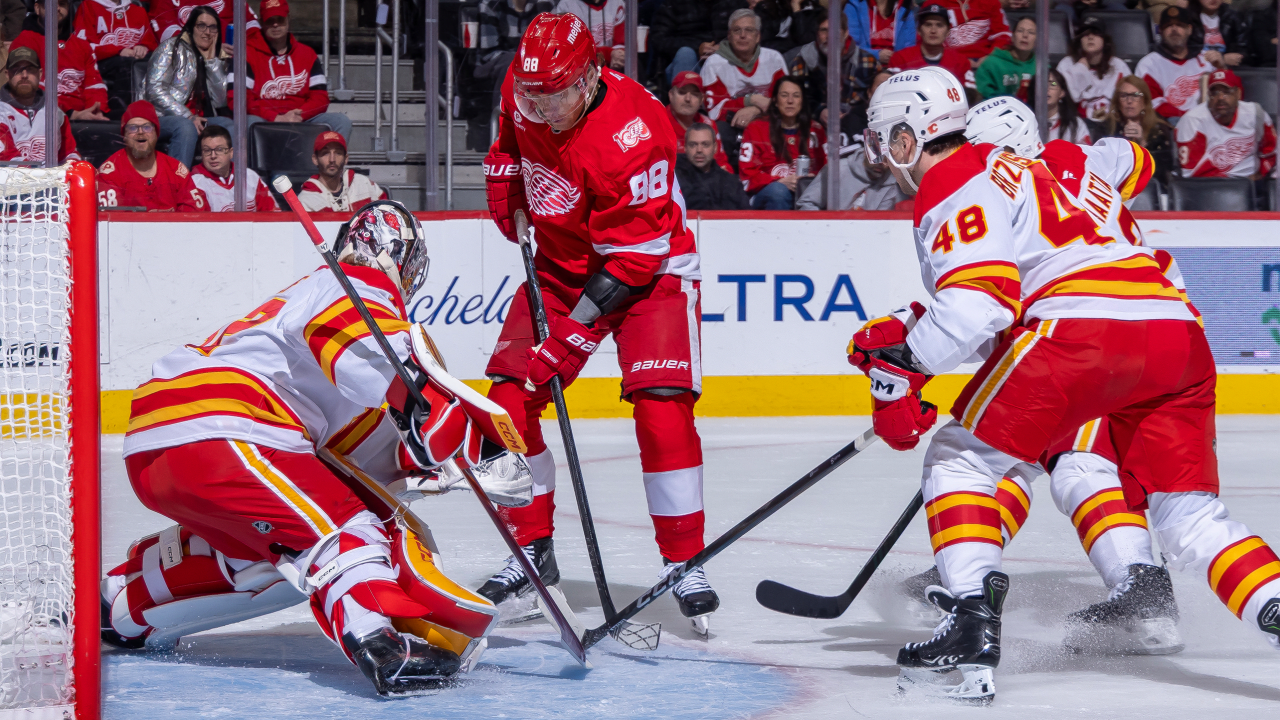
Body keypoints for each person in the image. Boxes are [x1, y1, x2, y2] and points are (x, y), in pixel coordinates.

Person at [858, 66, 1280, 703]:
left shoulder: (960, 175)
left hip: (1081, 330)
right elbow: (1132, 160)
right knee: (1190, 518)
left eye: (887, 139)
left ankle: (970, 615)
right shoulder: (1065, 163)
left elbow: (979, 306)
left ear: (914, 136)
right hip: (1174, 330)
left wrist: (902, 369)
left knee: (963, 458)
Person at [102, 200, 527, 694]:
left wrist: (445, 459)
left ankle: (119, 603)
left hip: (160, 443)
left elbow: (357, 452)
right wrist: (423, 402)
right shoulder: (355, 285)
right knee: (346, 531)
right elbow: (355, 346)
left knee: (268, 558)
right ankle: (380, 644)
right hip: (229, 427)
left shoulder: (303, 300)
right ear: (402, 261)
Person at [480, 13, 719, 635]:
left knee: (660, 405)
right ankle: (531, 547)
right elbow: (508, 135)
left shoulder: (636, 135)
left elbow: (633, 262)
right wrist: (505, 179)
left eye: (557, 95)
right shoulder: (528, 86)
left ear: (588, 77)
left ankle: (683, 558)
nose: (544, 107)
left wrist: (573, 336)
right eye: (534, 95)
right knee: (509, 398)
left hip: (652, 268)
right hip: (563, 262)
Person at [233, 0, 352, 139]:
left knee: (341, 121)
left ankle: (326, 160)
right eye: (270, 20)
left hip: (301, 117)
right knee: (248, 122)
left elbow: (320, 97)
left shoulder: (307, 54)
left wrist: (298, 115)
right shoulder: (246, 54)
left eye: (280, 19)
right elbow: (239, 99)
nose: (275, 24)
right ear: (261, 22)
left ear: (288, 20)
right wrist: (275, 117)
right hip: (264, 118)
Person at [144, 7, 234, 168]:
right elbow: (154, 90)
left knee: (228, 125)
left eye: (212, 27)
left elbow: (220, 101)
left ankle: (228, 183)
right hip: (160, 117)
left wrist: (211, 62)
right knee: (186, 127)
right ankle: (178, 185)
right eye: (201, 26)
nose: (207, 32)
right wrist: (187, 116)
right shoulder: (170, 48)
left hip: (196, 119)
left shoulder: (216, 56)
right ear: (191, 27)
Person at [471, 0, 556, 149]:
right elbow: (489, 51)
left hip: (531, 63)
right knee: (511, 64)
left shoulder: (544, 6)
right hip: (493, 62)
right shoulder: (491, 5)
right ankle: (503, 129)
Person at [96, 100, 207, 212]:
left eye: (147, 127)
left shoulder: (176, 170)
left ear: (156, 134)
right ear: (124, 135)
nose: (140, 132)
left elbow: (195, 215)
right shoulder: (109, 173)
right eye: (133, 128)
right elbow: (113, 221)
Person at [11, 0, 109, 121]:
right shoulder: (24, 42)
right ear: (37, 8)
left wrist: (96, 110)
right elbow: (29, 90)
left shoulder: (82, 45)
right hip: (41, 118)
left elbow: (95, 86)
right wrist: (71, 113)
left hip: (84, 116)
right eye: (49, 5)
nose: (56, 8)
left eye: (62, 4)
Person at [739, 75, 827, 209]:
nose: (790, 101)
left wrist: (810, 180)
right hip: (767, 193)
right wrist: (780, 182)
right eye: (784, 95)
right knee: (779, 192)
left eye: (796, 96)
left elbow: (827, 170)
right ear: (775, 100)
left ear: (802, 101)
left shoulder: (816, 130)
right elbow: (747, 176)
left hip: (807, 193)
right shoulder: (755, 129)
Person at [787, 13, 878, 141]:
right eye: (824, 30)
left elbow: (880, 91)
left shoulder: (867, 61)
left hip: (860, 129)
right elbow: (792, 99)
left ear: (846, 33)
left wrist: (855, 115)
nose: (829, 36)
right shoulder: (803, 61)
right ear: (817, 34)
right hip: (816, 130)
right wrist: (819, 111)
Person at [1176, 69, 1276, 183]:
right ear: (1209, 95)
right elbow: (1191, 173)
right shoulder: (1192, 120)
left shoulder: (1255, 113)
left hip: (1252, 182)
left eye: (1227, 92)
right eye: (1215, 93)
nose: (1220, 98)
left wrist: (1260, 174)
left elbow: (1270, 151)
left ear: (1238, 94)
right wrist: (1231, 186)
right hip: (1211, 186)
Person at [700, 9, 788, 129]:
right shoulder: (714, 64)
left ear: (758, 36)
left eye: (749, 30)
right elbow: (715, 111)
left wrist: (756, 109)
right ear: (729, 36)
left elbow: (786, 100)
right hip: (731, 125)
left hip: (769, 120)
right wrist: (750, 100)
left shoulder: (774, 59)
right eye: (737, 30)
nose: (742, 35)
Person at [73, 0, 158, 120]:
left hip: (132, 61)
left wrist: (144, 46)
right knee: (126, 64)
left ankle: (154, 112)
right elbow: (81, 46)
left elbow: (151, 42)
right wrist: (118, 50)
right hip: (100, 61)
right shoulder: (88, 5)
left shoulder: (139, 10)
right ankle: (122, 114)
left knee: (155, 62)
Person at [1135, 7, 1217, 121]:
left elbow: (1227, 94)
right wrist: (1189, 118)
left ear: (1189, 29)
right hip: (1170, 124)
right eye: (1168, 26)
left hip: (1208, 121)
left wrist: (1223, 68)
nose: (1174, 29)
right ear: (1160, 31)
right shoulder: (1149, 64)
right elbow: (1154, 104)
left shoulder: (1205, 59)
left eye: (1180, 25)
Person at [0, 46, 80, 164]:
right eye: (17, 70)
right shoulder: (2, 113)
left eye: (30, 69)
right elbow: (8, 160)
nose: (24, 75)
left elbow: (69, 153)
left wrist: (73, 166)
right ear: (7, 74)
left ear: (40, 73)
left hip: (52, 180)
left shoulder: (55, 112)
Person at [1096, 76, 1175, 187]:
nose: (1129, 101)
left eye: (1136, 95)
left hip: (1151, 187)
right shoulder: (1107, 127)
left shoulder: (1159, 127)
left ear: (1145, 101)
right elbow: (1099, 164)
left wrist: (1142, 142)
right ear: (1117, 101)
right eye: (1124, 96)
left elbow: (1164, 169)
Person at [882, 5, 973, 94]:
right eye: (928, 25)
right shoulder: (900, 58)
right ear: (918, 30)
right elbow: (891, 93)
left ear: (948, 32)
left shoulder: (961, 62)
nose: (933, 30)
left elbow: (970, 97)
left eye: (939, 25)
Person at [1056, 19, 1131, 123]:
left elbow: (1129, 96)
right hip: (1077, 123)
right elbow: (1062, 96)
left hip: (1112, 123)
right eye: (1085, 34)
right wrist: (1080, 69)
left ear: (1105, 40)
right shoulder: (1066, 64)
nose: (1090, 38)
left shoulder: (1118, 66)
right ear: (1079, 40)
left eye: (1096, 34)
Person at [794, 141, 907, 210]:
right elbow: (806, 204)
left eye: (887, 160)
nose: (882, 163)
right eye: (877, 157)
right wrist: (824, 227)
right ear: (866, 152)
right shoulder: (837, 170)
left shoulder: (893, 184)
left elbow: (890, 223)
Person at [190, 124, 277, 212]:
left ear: (231, 153)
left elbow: (272, 214)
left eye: (219, 150)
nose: (213, 156)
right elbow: (200, 224)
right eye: (207, 150)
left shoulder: (249, 176)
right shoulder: (195, 183)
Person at [649, 0, 741, 83]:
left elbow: (750, 34)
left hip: (726, 60)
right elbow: (658, 39)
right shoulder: (674, 3)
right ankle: (685, 99)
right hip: (688, 64)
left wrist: (725, 47)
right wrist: (698, 47)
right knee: (686, 53)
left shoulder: (734, 3)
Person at [299, 131, 390, 213]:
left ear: (346, 158)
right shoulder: (305, 200)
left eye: (338, 153)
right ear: (315, 159)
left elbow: (389, 217)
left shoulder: (364, 184)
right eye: (325, 153)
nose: (332, 159)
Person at [665, 70, 733, 173]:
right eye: (682, 93)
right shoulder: (657, 122)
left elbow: (722, 164)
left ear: (701, 99)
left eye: (694, 94)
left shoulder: (708, 124)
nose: (688, 99)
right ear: (671, 95)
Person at [676, 122, 750, 209]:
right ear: (685, 148)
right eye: (693, 145)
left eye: (705, 144)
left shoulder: (731, 183)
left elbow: (747, 218)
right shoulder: (673, 181)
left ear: (715, 148)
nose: (699, 150)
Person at [975, 16, 1035, 101]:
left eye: (1031, 32)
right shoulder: (991, 64)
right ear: (1012, 37)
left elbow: (1054, 84)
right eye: (1020, 31)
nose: (1025, 35)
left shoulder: (1042, 67)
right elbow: (983, 97)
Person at [931, 0, 1010, 65]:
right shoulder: (934, 4)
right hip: (947, 61)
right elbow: (928, 38)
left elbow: (1003, 35)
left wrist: (991, 57)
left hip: (986, 60)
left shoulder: (991, 2)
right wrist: (955, 60)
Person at [149, 0, 259, 45]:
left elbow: (250, 24)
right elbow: (167, 32)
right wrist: (208, 50)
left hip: (232, 60)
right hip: (188, 64)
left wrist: (245, 50)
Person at [1028, 68, 1091, 144]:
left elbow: (1086, 153)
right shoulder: (1025, 122)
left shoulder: (1076, 124)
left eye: (1053, 84)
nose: (1046, 89)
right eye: (1042, 84)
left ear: (1062, 92)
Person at [845, 0, 917, 64]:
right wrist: (876, 55)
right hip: (864, 64)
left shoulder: (905, 6)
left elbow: (909, 47)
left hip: (896, 66)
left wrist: (896, 58)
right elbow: (851, 46)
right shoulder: (855, 5)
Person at [1191, 0, 1247, 66]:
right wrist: (1222, 58)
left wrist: (1230, 58)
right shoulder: (1190, 18)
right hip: (1197, 68)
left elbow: (1244, 49)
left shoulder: (1233, 17)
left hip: (1228, 69)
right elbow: (1185, 52)